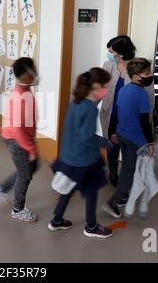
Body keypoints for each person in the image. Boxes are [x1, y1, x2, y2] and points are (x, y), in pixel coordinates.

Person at [48, 68, 113, 239]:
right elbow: (87, 138)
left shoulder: (76, 102)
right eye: (106, 86)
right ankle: (91, 226)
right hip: (83, 161)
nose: (108, 90)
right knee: (92, 191)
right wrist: (106, 143)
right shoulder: (90, 109)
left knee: (67, 189)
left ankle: (56, 220)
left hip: (68, 157)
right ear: (97, 87)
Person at [103, 58, 155, 219]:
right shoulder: (141, 94)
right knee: (129, 171)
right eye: (147, 73)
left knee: (126, 164)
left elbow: (116, 114)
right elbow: (145, 122)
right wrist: (150, 142)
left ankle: (123, 194)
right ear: (136, 76)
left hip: (122, 135)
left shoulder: (124, 90)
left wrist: (113, 132)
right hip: (135, 140)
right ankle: (112, 202)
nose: (150, 75)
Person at [0, 57, 40, 223]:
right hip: (17, 139)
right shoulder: (19, 95)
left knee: (31, 167)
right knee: (25, 174)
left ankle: (1, 188)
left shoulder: (25, 89)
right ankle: (17, 209)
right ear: (27, 74)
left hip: (24, 138)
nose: (37, 73)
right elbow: (16, 129)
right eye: (34, 70)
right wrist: (30, 148)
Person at [100, 36, 136, 188]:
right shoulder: (108, 65)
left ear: (121, 54)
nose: (108, 53)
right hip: (110, 113)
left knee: (128, 149)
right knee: (112, 146)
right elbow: (99, 88)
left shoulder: (138, 68)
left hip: (129, 117)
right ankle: (113, 171)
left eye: (111, 51)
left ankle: (127, 177)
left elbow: (148, 95)